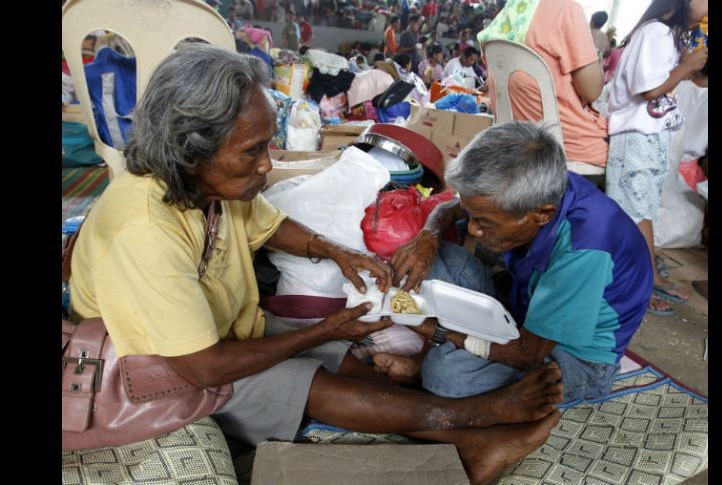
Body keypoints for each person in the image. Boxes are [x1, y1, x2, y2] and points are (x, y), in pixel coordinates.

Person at [66, 45, 563, 485]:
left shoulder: (206, 185)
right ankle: (474, 420)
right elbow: (203, 365)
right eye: (252, 151)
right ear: (192, 149)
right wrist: (319, 331)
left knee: (344, 359)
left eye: (266, 145)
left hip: (219, 331)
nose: (266, 164)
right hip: (162, 370)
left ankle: (458, 434)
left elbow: (270, 225)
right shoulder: (144, 230)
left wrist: (337, 251)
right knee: (306, 376)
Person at [373, 121, 653, 403]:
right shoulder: (531, 185)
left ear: (543, 214)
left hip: (575, 358)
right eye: (473, 217)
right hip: (522, 311)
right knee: (440, 256)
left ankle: (431, 365)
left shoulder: (584, 248)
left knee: (445, 375)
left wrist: (434, 330)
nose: (473, 229)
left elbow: (526, 354)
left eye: (485, 223)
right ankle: (460, 346)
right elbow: (453, 207)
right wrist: (428, 237)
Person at [605, 0, 708, 316]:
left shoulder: (671, 35)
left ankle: (647, 276)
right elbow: (648, 90)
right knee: (630, 212)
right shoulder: (656, 32)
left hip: (651, 135)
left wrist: (689, 66)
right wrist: (686, 66)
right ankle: (634, 286)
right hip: (636, 136)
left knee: (643, 208)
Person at [478, 0, 608, 169]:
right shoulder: (567, 10)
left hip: (513, 142)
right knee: (627, 147)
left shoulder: (507, 13)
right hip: (564, 145)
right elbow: (591, 91)